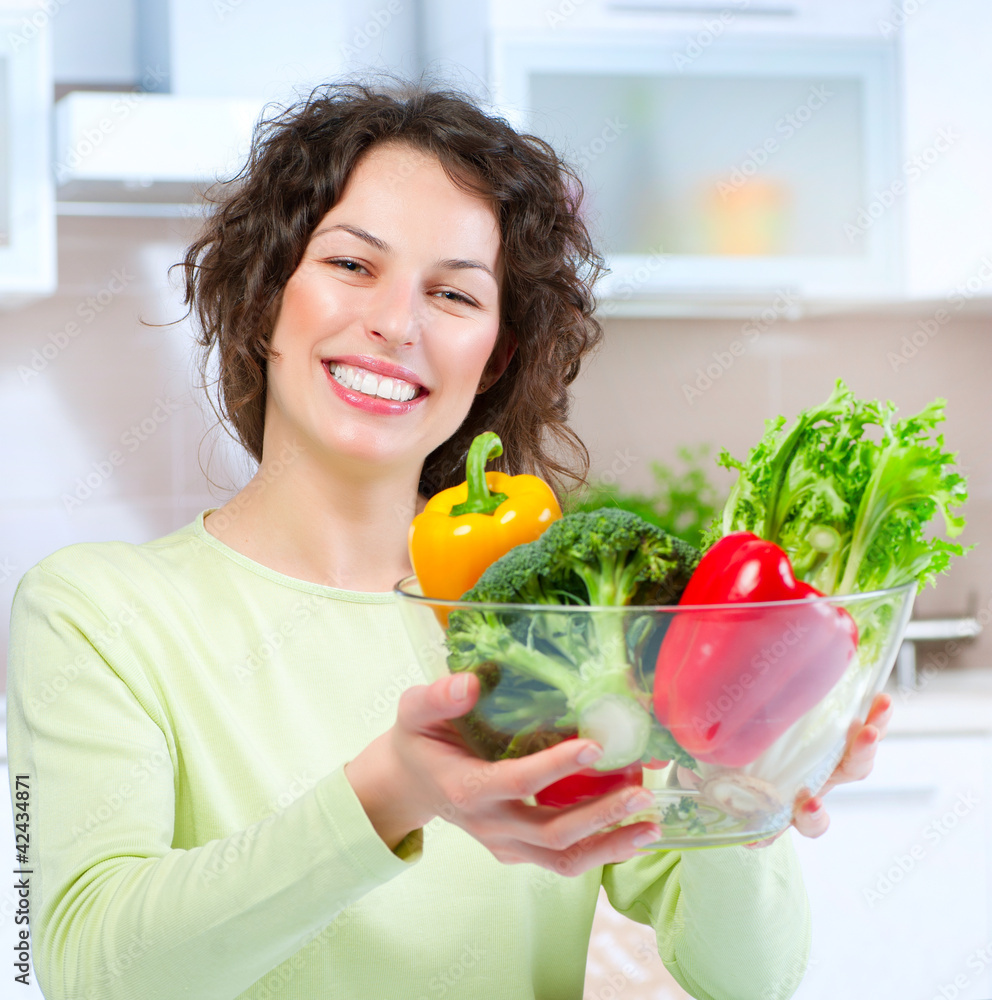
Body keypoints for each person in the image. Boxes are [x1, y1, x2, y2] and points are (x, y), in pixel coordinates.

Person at [6, 79, 892, 1000]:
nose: (397, 323)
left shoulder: (558, 624)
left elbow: (745, 979)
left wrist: (743, 769)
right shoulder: (95, 612)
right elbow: (83, 967)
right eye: (352, 266)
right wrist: (391, 791)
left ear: (495, 356)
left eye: (454, 294)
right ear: (268, 295)